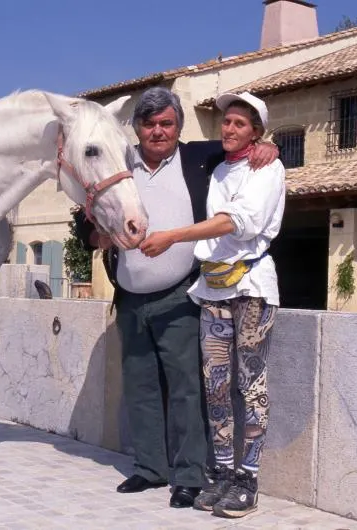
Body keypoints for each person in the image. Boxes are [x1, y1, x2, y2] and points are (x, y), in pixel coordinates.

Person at [76, 86, 278, 509]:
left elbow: (244, 151)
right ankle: (150, 468)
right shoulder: (122, 161)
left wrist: (270, 146)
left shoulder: (200, 158)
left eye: (166, 123)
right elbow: (84, 222)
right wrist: (97, 236)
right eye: (148, 124)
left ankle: (189, 474)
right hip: (129, 297)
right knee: (140, 385)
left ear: (178, 127)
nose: (157, 131)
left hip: (180, 293)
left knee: (188, 388)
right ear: (136, 129)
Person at [139, 91, 285, 518]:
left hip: (252, 288)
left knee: (250, 384)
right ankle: (222, 472)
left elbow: (238, 222)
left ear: (256, 132)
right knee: (215, 385)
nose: (229, 129)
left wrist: (171, 236)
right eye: (226, 122)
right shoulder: (218, 168)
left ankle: (248, 478)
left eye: (241, 124)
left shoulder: (269, 166)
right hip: (214, 290)